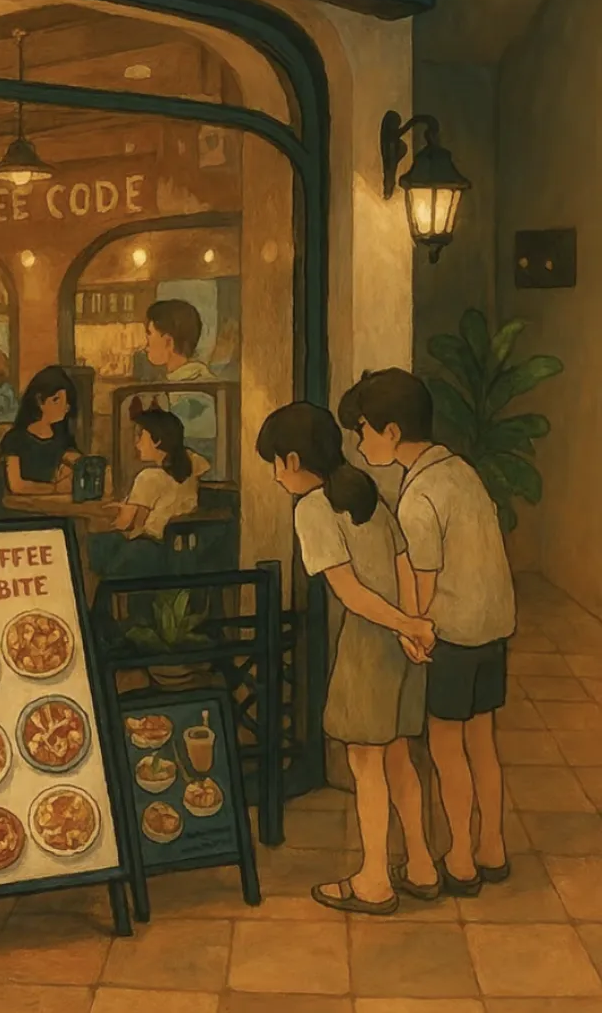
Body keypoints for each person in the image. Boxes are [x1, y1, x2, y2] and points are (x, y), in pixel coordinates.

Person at [339, 367, 517, 895]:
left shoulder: (417, 498)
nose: (359, 441)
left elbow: (423, 585)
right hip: (493, 632)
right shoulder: (461, 471)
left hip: (455, 637)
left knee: (445, 748)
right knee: (482, 742)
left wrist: (408, 632)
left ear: (391, 432)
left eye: (363, 429)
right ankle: (493, 847)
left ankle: (460, 859)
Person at [257, 401, 436, 915]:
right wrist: (413, 623)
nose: (275, 476)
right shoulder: (364, 490)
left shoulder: (312, 508)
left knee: (366, 762)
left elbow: (351, 592)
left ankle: (375, 880)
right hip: (401, 636)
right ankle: (421, 866)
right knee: (399, 754)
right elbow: (404, 560)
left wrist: (403, 625)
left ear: (292, 460)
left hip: (369, 639)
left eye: (274, 463)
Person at [90, 407, 209, 577]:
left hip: (148, 551)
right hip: (179, 552)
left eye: (140, 437)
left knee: (93, 545)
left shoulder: (149, 478)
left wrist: (114, 514)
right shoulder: (191, 466)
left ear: (157, 440)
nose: (136, 443)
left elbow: (129, 525)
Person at [0, 366, 82, 496]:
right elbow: (17, 486)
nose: (65, 407)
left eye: (66, 401)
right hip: (21, 508)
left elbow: (76, 462)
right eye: (56, 400)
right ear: (39, 401)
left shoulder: (62, 439)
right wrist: (54, 489)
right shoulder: (15, 439)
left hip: (54, 507)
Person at [136, 299, 215, 383]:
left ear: (168, 342)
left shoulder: (191, 388)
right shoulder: (186, 379)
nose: (145, 348)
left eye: (149, 334)